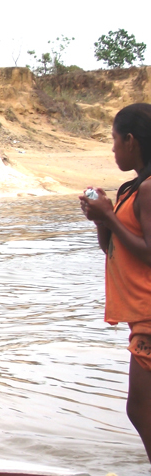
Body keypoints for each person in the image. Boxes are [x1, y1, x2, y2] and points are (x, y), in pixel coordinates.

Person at [80, 103, 151, 462]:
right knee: (141, 411)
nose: (112, 149)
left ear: (130, 140)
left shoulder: (150, 189)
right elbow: (110, 247)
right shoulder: (132, 188)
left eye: (113, 140)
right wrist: (101, 218)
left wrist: (110, 215)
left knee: (141, 411)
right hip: (141, 317)